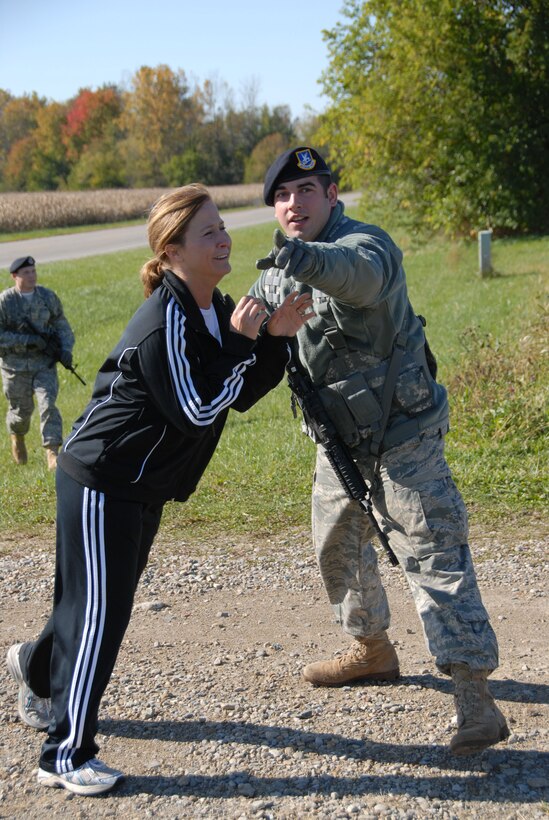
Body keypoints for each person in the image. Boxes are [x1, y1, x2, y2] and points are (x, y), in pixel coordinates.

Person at [5, 183, 313, 796]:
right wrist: (246, 343)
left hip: (139, 484)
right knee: (100, 614)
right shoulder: (163, 319)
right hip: (102, 480)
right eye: (208, 233)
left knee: (91, 603)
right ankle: (63, 755)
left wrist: (272, 338)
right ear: (172, 250)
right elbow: (198, 409)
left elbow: (240, 391)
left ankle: (36, 669)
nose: (224, 237)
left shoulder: (208, 306)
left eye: (223, 226)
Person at [250, 146, 509, 756]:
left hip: (402, 435)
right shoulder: (277, 265)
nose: (293, 204)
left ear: (332, 194)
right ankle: (371, 650)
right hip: (339, 441)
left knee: (433, 554)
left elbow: (356, 277)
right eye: (282, 196)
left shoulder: (364, 245)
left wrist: (303, 259)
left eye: (305, 190)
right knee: (338, 547)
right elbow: (253, 318)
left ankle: (475, 702)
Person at [0, 256, 75, 469]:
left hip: (44, 364)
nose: (32, 276)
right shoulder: (5, 301)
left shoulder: (47, 297)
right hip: (14, 367)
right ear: (15, 276)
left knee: (48, 404)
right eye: (26, 273)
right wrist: (28, 341)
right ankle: (18, 437)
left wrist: (66, 349)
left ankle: (52, 452)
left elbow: (62, 326)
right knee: (20, 412)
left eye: (33, 271)